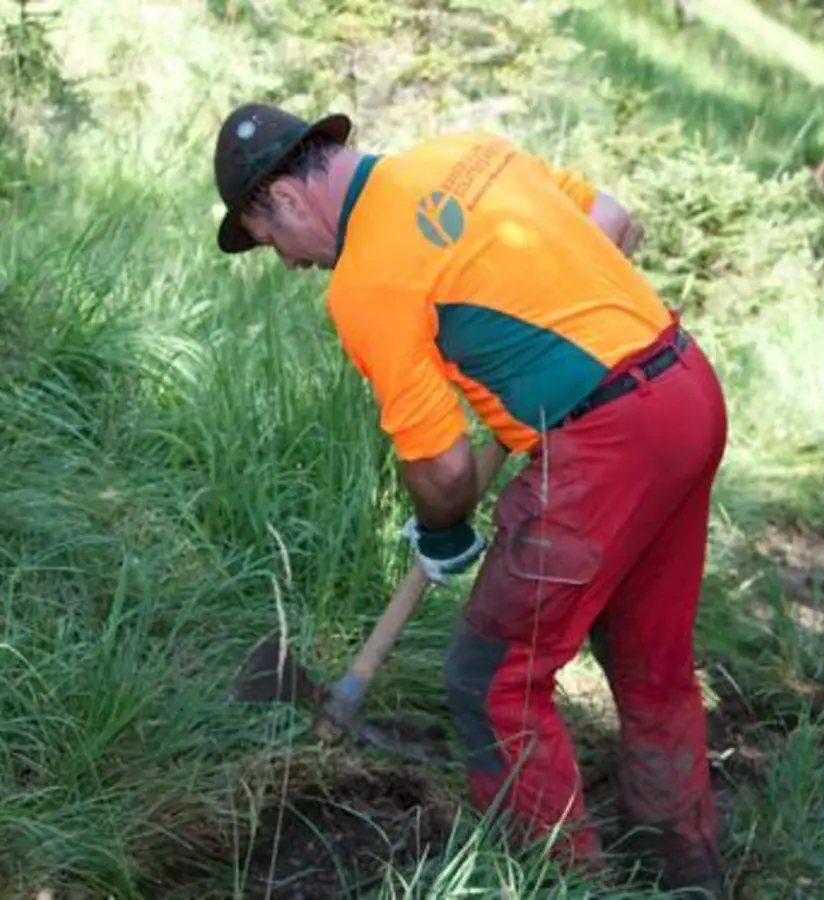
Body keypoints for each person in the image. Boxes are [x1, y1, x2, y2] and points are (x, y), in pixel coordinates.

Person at [210, 102, 729, 895]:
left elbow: (446, 474)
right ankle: (686, 858)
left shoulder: (367, 282)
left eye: (270, 240)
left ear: (279, 201)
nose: (284, 262)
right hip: (686, 387)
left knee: (493, 677)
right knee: (646, 655)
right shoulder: (466, 151)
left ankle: (561, 882)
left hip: (610, 443)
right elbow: (615, 222)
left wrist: (441, 530)